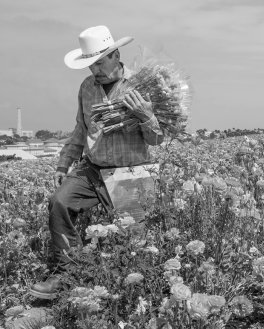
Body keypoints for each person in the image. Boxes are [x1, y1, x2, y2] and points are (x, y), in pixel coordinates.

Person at [29, 25, 164, 299]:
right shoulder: (86, 88)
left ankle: (132, 293)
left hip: (130, 173)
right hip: (93, 169)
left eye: (99, 63)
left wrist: (145, 115)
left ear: (115, 55)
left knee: (135, 241)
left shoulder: (142, 85)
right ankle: (65, 275)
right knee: (60, 202)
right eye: (90, 65)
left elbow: (156, 139)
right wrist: (63, 163)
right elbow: (81, 129)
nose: (95, 71)